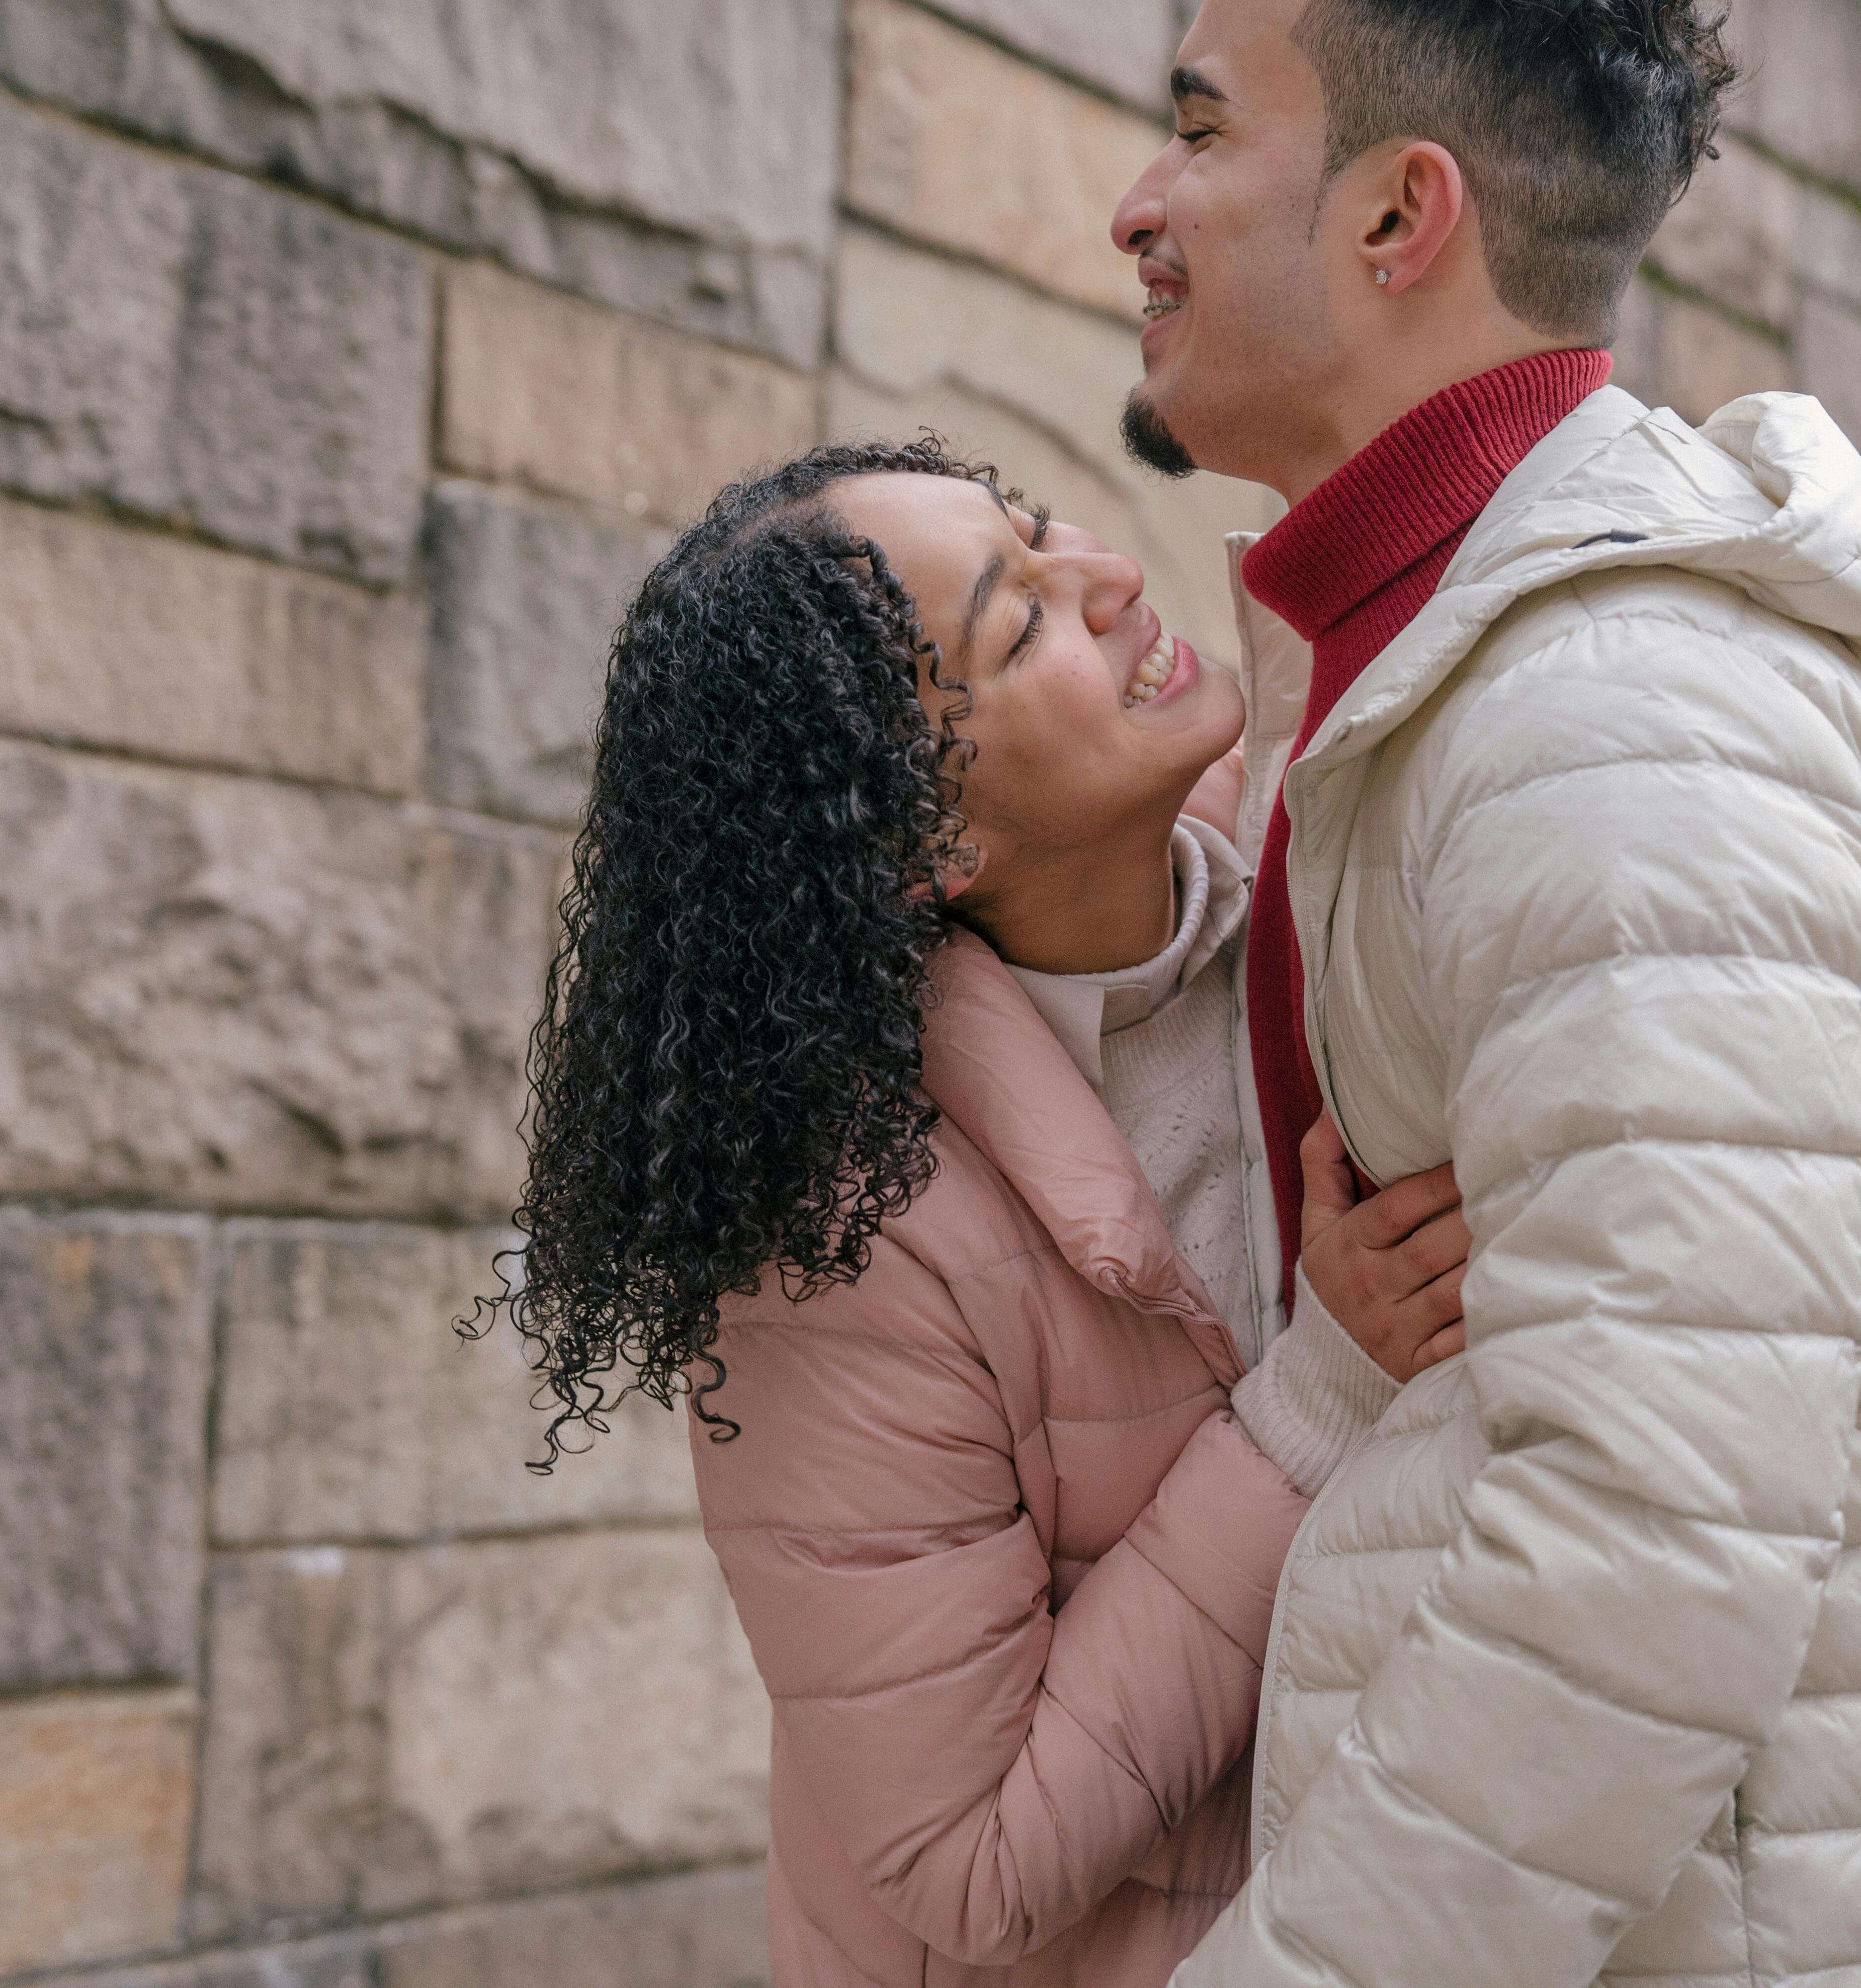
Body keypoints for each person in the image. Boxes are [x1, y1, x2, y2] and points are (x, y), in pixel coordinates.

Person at [1108, 3, 1861, 1984]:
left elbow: (1653, 1549)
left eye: (1199, 134)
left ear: (1401, 215)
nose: (1137, 206)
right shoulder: (1420, 657)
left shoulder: (1619, 720)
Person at [487, 437, 1470, 1988]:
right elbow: (972, 1865)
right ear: (928, 843)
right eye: (1022, 625)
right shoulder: (841, 1253)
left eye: (1038, 527)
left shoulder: (1337, 841)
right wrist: (1317, 1406)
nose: (1112, 575)